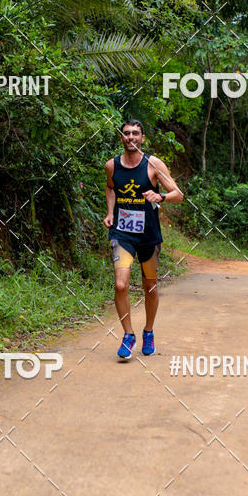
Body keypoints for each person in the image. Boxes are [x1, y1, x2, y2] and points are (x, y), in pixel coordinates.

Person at [103, 120, 183, 360]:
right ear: (121, 138)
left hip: (148, 234)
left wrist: (160, 195)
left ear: (143, 138)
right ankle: (128, 336)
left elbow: (178, 195)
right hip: (122, 233)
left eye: (135, 133)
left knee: (150, 286)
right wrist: (110, 212)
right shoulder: (112, 166)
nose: (131, 137)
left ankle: (148, 331)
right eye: (126, 133)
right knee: (120, 285)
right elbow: (110, 188)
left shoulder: (153, 164)